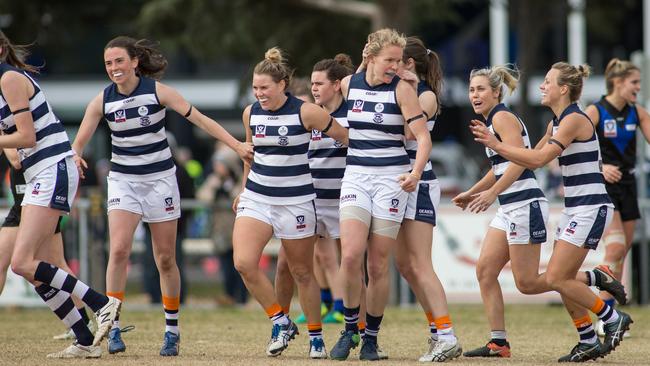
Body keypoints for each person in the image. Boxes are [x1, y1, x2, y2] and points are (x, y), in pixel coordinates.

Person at [72, 36, 253, 357]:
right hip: (124, 181)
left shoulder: (157, 92)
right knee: (119, 251)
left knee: (165, 258)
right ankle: (112, 326)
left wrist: (236, 145)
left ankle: (172, 330)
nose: (114, 68)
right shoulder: (102, 100)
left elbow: (200, 119)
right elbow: (81, 138)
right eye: (108, 63)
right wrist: (75, 154)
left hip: (160, 182)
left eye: (119, 61)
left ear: (134, 62)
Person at [470, 62, 633, 362]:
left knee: (558, 277)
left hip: (591, 206)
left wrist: (496, 144)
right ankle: (587, 334)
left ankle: (611, 318)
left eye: (547, 82)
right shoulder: (555, 123)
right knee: (557, 279)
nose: (542, 87)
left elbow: (541, 157)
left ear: (563, 89)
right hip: (576, 209)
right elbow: (532, 160)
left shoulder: (573, 120)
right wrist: (489, 167)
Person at [0, 30, 120, 359]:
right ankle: (84, 340)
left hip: (53, 168)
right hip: (42, 173)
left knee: (23, 262)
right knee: (32, 268)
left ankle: (101, 304)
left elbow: (26, 137)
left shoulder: (9, 79)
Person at [232, 47, 348, 359]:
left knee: (301, 272)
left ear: (282, 84)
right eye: (255, 88)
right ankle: (280, 321)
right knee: (243, 262)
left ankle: (316, 338)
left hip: (296, 202)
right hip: (257, 197)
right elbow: (249, 154)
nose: (259, 94)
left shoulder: (306, 112)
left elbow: (347, 137)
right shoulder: (250, 112)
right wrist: (243, 190)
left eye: (264, 88)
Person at [329, 28, 432, 361]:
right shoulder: (348, 85)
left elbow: (423, 139)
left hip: (391, 180)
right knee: (349, 256)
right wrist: (361, 64)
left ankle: (371, 337)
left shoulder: (403, 90)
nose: (395, 66)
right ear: (370, 57)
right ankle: (349, 330)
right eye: (389, 60)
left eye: (398, 61)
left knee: (377, 264)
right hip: (356, 177)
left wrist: (414, 174)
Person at [454, 65, 549, 358]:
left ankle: (590, 281)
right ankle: (499, 343)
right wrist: (471, 192)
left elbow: (522, 162)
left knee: (528, 283)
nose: (475, 95)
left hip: (524, 204)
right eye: (471, 90)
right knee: (485, 271)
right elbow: (500, 168)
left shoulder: (502, 117)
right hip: (508, 207)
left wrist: (492, 193)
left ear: (497, 92)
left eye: (481, 89)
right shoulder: (490, 120)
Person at [392, 37, 462, 362]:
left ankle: (446, 334)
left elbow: (410, 134)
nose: (388, 66)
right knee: (405, 266)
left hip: (419, 182)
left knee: (420, 264)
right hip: (397, 182)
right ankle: (437, 331)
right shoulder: (399, 90)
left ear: (409, 64)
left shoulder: (425, 95)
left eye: (395, 60)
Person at [0, 150, 96, 341]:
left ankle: (87, 319)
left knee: (56, 263)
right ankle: (84, 322)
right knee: (4, 261)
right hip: (21, 204)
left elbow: (16, 160)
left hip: (38, 202)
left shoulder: (16, 127)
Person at [584, 59, 650, 337]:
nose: (638, 88)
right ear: (618, 82)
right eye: (634, 82)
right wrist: (600, 166)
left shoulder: (637, 112)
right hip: (604, 190)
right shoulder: (595, 111)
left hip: (629, 187)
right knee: (614, 249)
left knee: (622, 253)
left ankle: (611, 314)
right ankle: (603, 311)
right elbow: (574, 147)